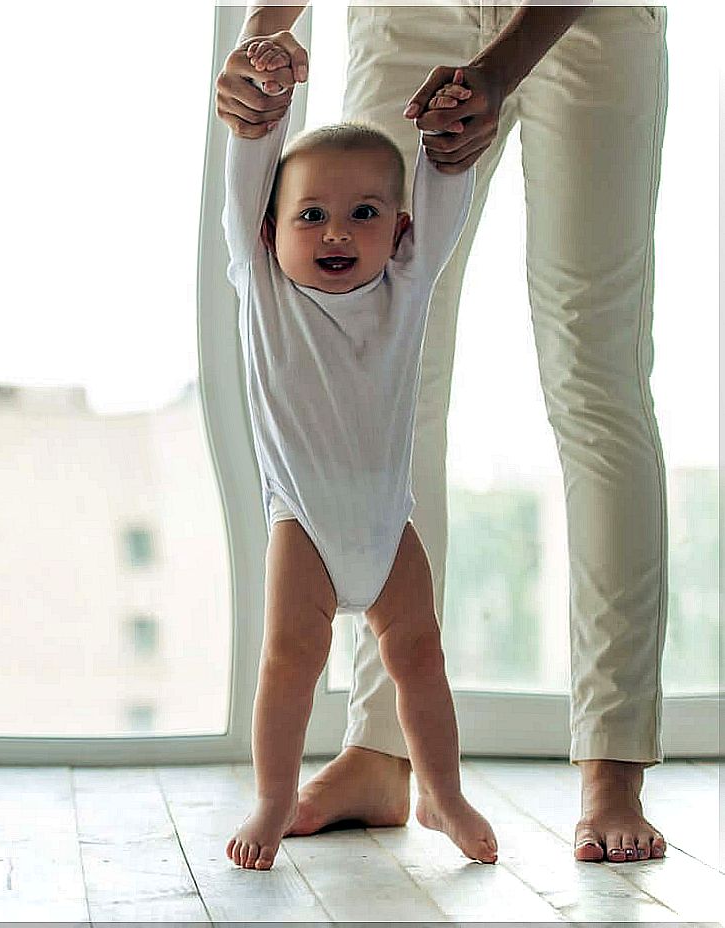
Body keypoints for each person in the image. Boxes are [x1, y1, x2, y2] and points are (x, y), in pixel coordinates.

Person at [215, 3, 668, 864]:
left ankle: (613, 762)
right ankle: (382, 754)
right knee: (392, 365)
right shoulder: (263, 260)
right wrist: (261, 36)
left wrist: (501, 70)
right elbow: (261, 204)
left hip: (586, 18)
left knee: (594, 372)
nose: (330, 237)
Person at [219, 37, 495, 871]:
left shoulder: (402, 289)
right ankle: (273, 797)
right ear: (272, 232)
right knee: (290, 662)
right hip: (303, 525)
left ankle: (440, 793)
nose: (336, 231)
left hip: (387, 529)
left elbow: (445, 197)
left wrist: (446, 140)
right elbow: (245, 184)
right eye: (311, 215)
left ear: (399, 229)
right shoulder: (264, 284)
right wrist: (265, 103)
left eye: (365, 214)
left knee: (421, 655)